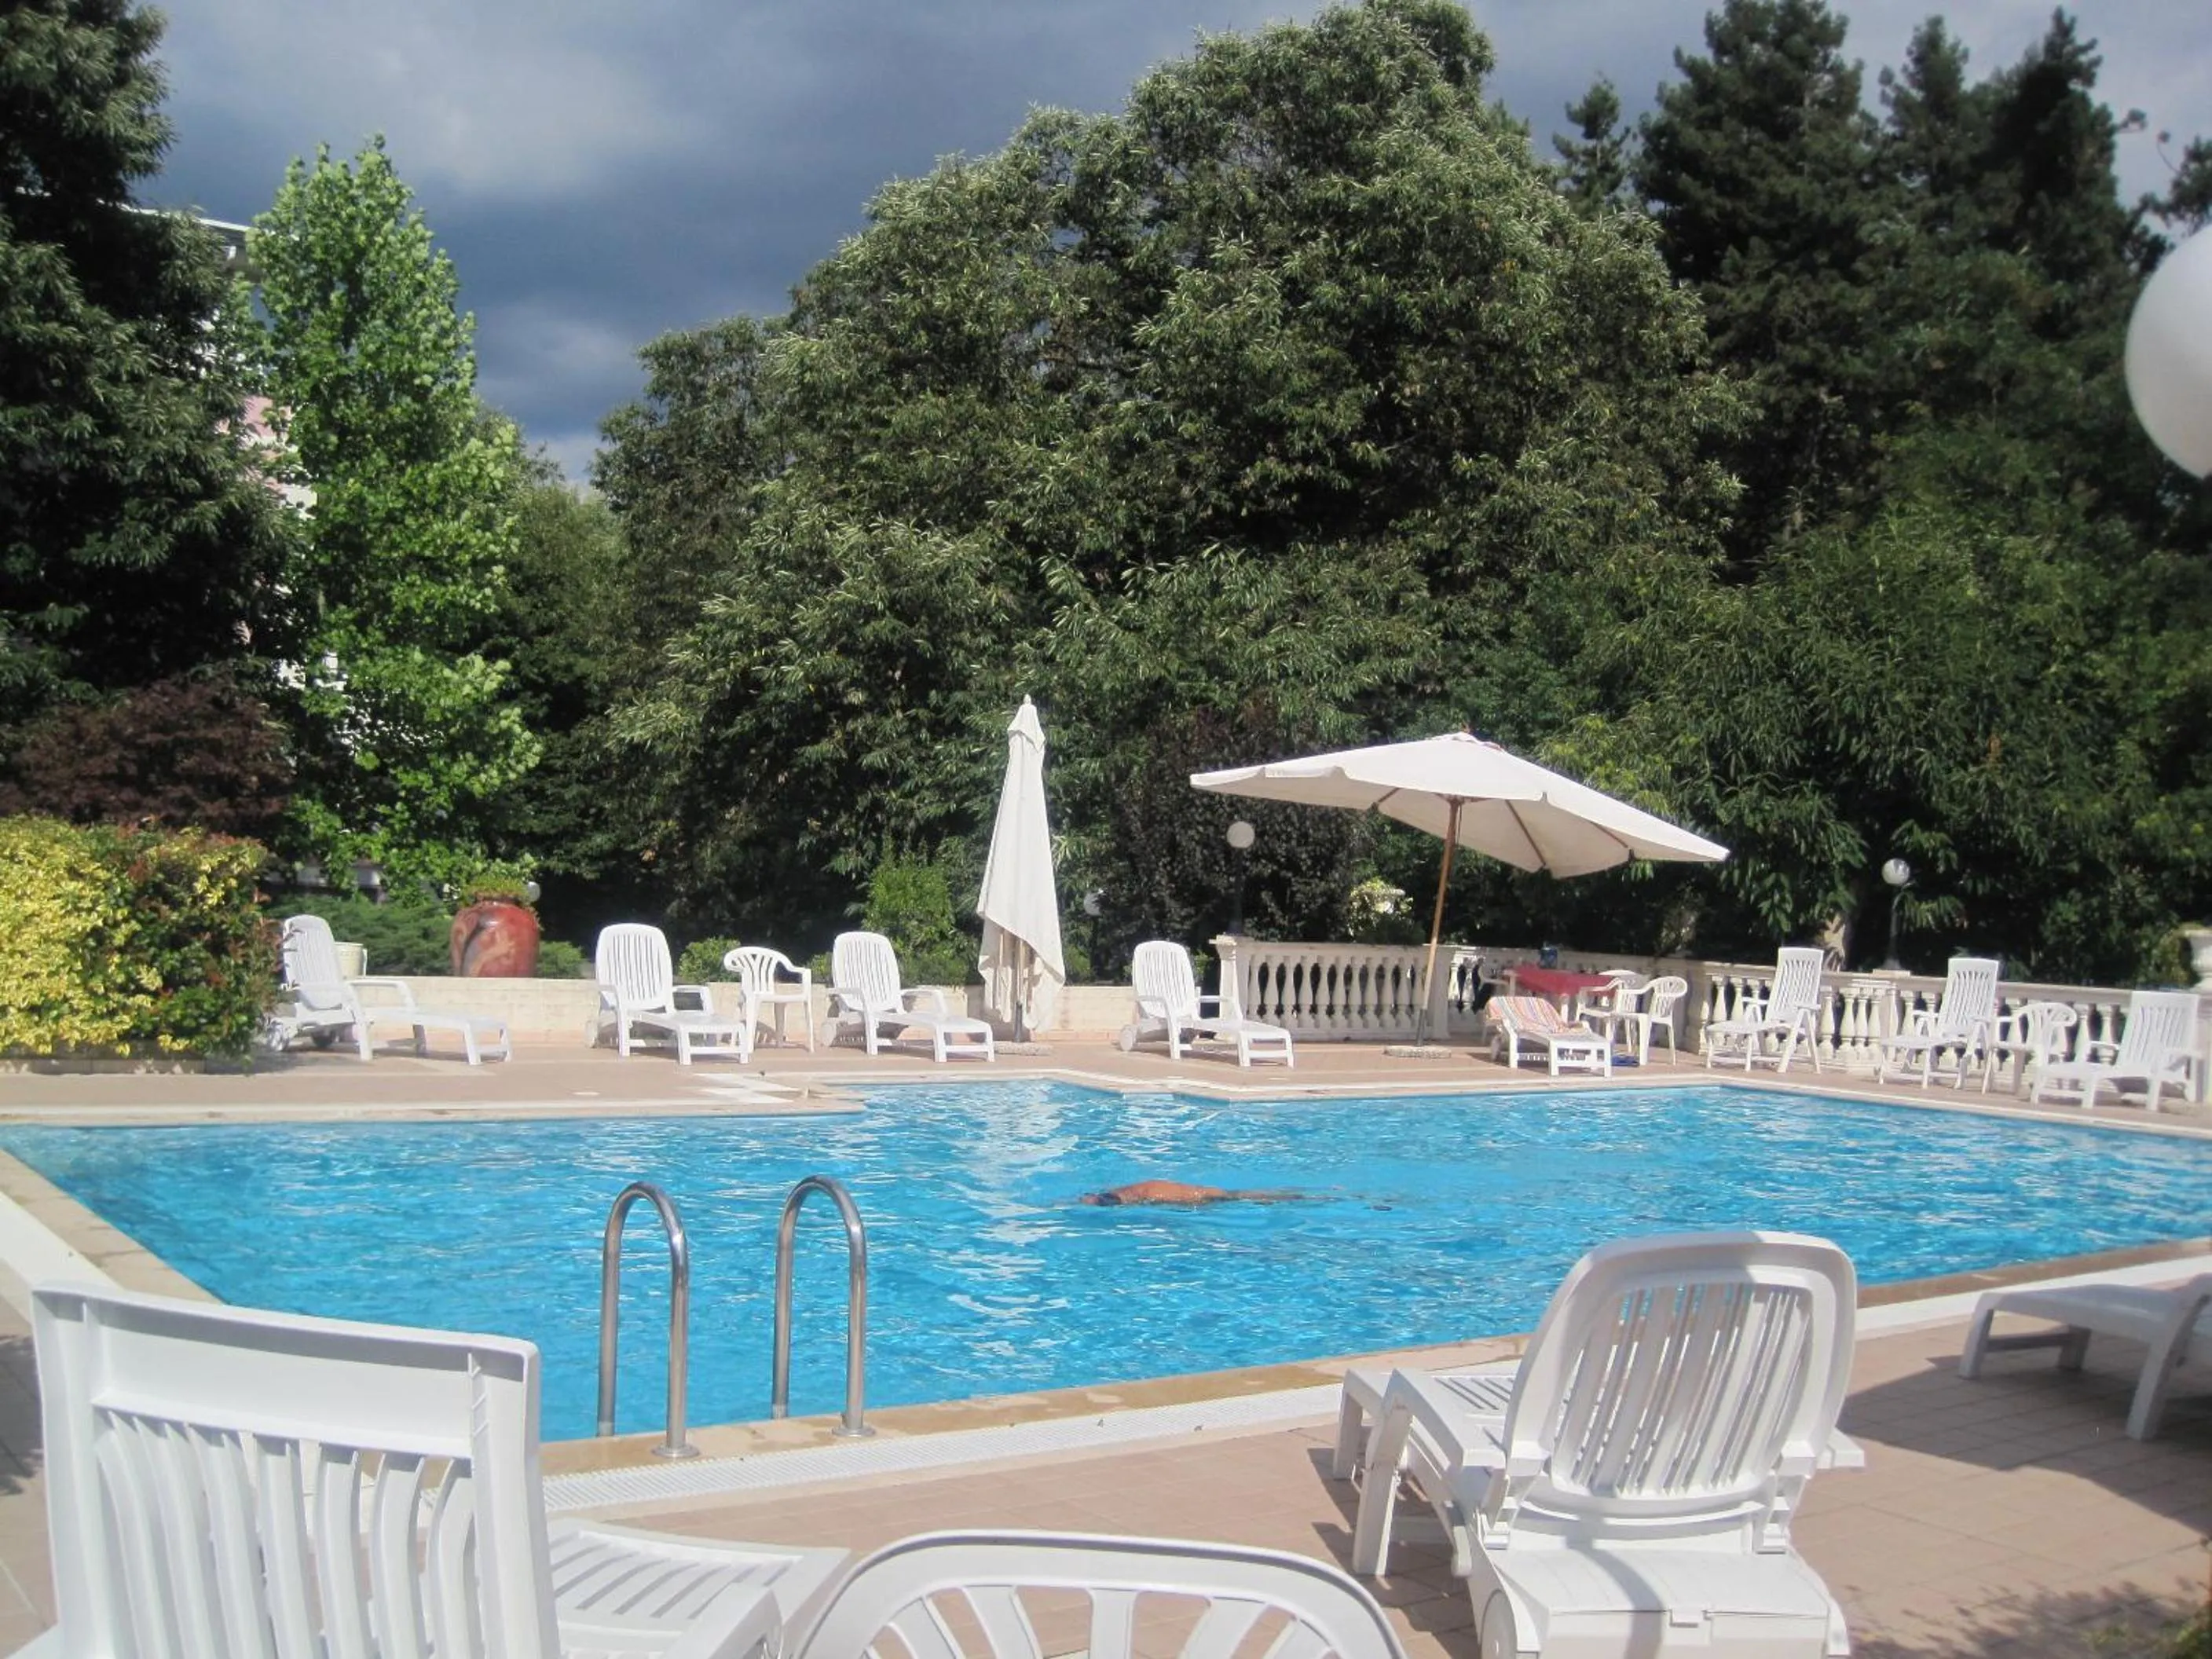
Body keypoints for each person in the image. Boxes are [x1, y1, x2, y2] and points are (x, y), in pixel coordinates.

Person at [1080, 1179, 1299, 1207]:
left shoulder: (1145, 1194)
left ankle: (1294, 1196)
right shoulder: (1133, 1192)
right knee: (1239, 1196)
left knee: (1239, 1196)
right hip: (1193, 1196)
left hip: (1199, 1195)